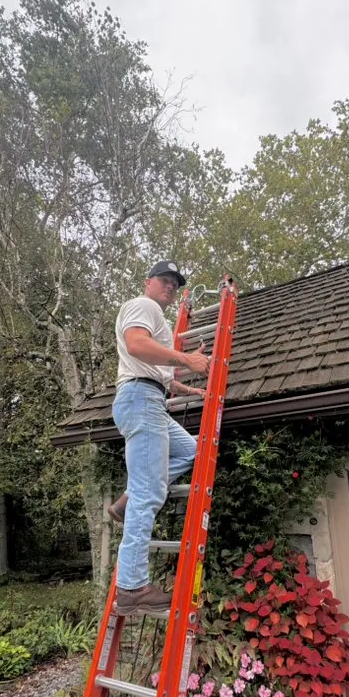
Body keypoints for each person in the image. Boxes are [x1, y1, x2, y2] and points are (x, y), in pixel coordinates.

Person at [109, 260, 211, 618]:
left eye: (174, 282)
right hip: (141, 400)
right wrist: (186, 358)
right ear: (147, 282)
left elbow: (155, 372)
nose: (170, 286)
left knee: (193, 451)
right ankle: (133, 587)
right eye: (164, 280)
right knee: (149, 493)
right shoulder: (143, 306)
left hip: (148, 398)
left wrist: (186, 387)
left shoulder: (157, 320)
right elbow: (137, 347)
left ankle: (125, 500)